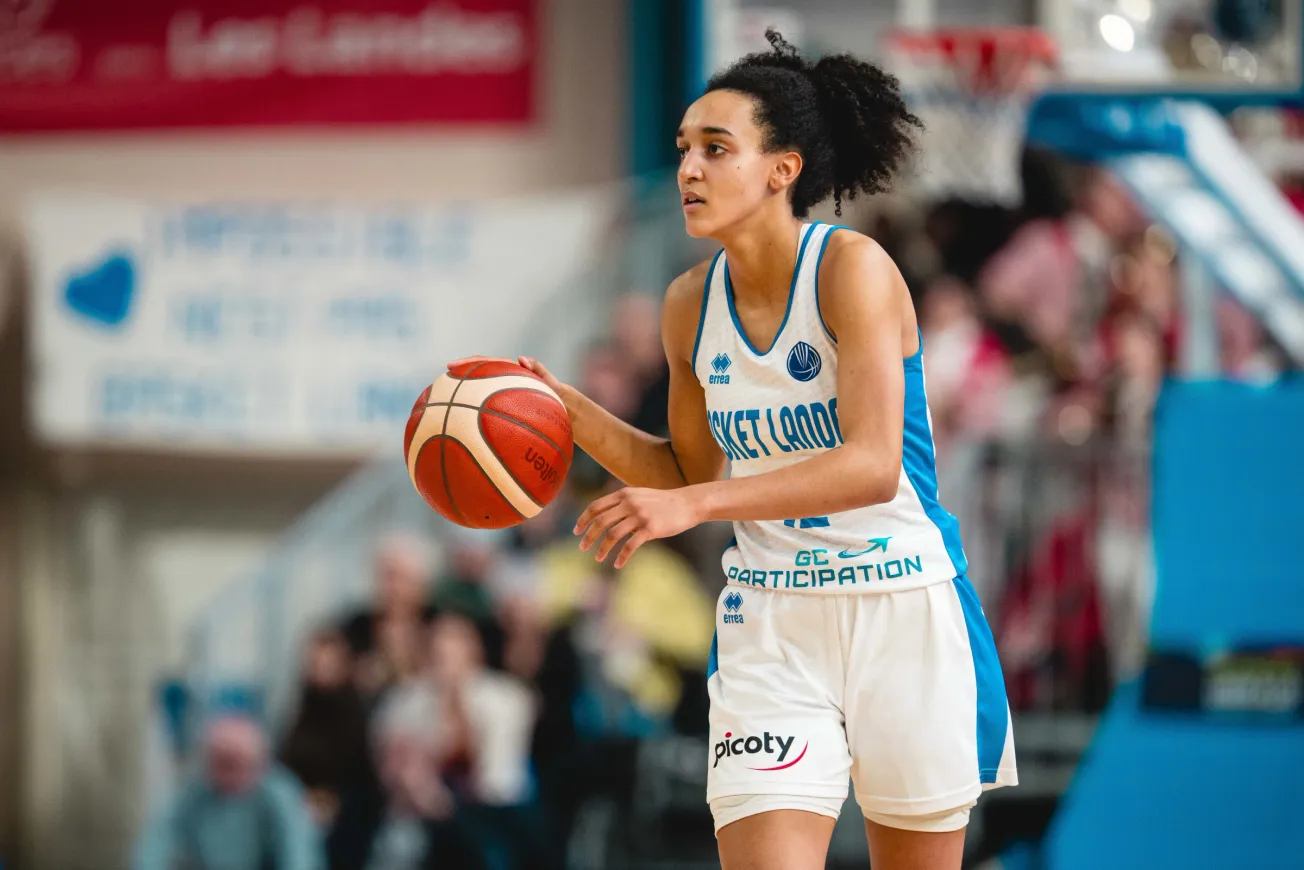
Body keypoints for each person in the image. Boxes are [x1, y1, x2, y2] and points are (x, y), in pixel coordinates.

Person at [454, 28, 1016, 870]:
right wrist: (568, 412)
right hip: (771, 619)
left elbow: (871, 467)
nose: (688, 168)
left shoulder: (853, 270)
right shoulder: (688, 304)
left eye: (716, 148)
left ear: (782, 169)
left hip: (901, 606)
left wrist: (695, 504)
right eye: (684, 148)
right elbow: (688, 471)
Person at [134, 714, 323, 870]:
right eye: (220, 762)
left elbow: (298, 852)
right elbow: (160, 837)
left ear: (259, 762)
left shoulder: (279, 794)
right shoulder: (196, 792)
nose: (227, 773)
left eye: (235, 763)